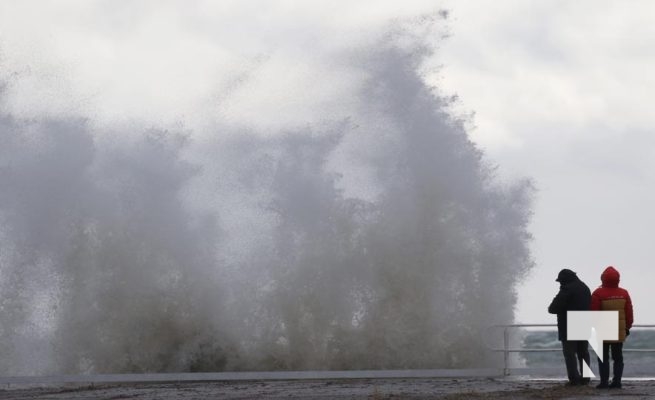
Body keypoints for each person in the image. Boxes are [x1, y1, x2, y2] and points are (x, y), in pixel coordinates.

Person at [591, 266, 634, 389]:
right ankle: (617, 382)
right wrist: (627, 327)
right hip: (619, 329)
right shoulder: (624, 293)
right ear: (618, 279)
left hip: (603, 329)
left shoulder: (597, 293)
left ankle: (604, 382)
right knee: (618, 357)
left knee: (603, 357)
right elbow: (629, 312)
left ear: (603, 278)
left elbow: (594, 313)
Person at [548, 268, 592, 386]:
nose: (560, 283)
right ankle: (586, 377)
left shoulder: (567, 289)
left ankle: (574, 379)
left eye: (561, 281)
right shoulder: (585, 287)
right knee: (583, 352)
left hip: (569, 324)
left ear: (565, 280)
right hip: (584, 322)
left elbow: (552, 308)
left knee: (570, 353)